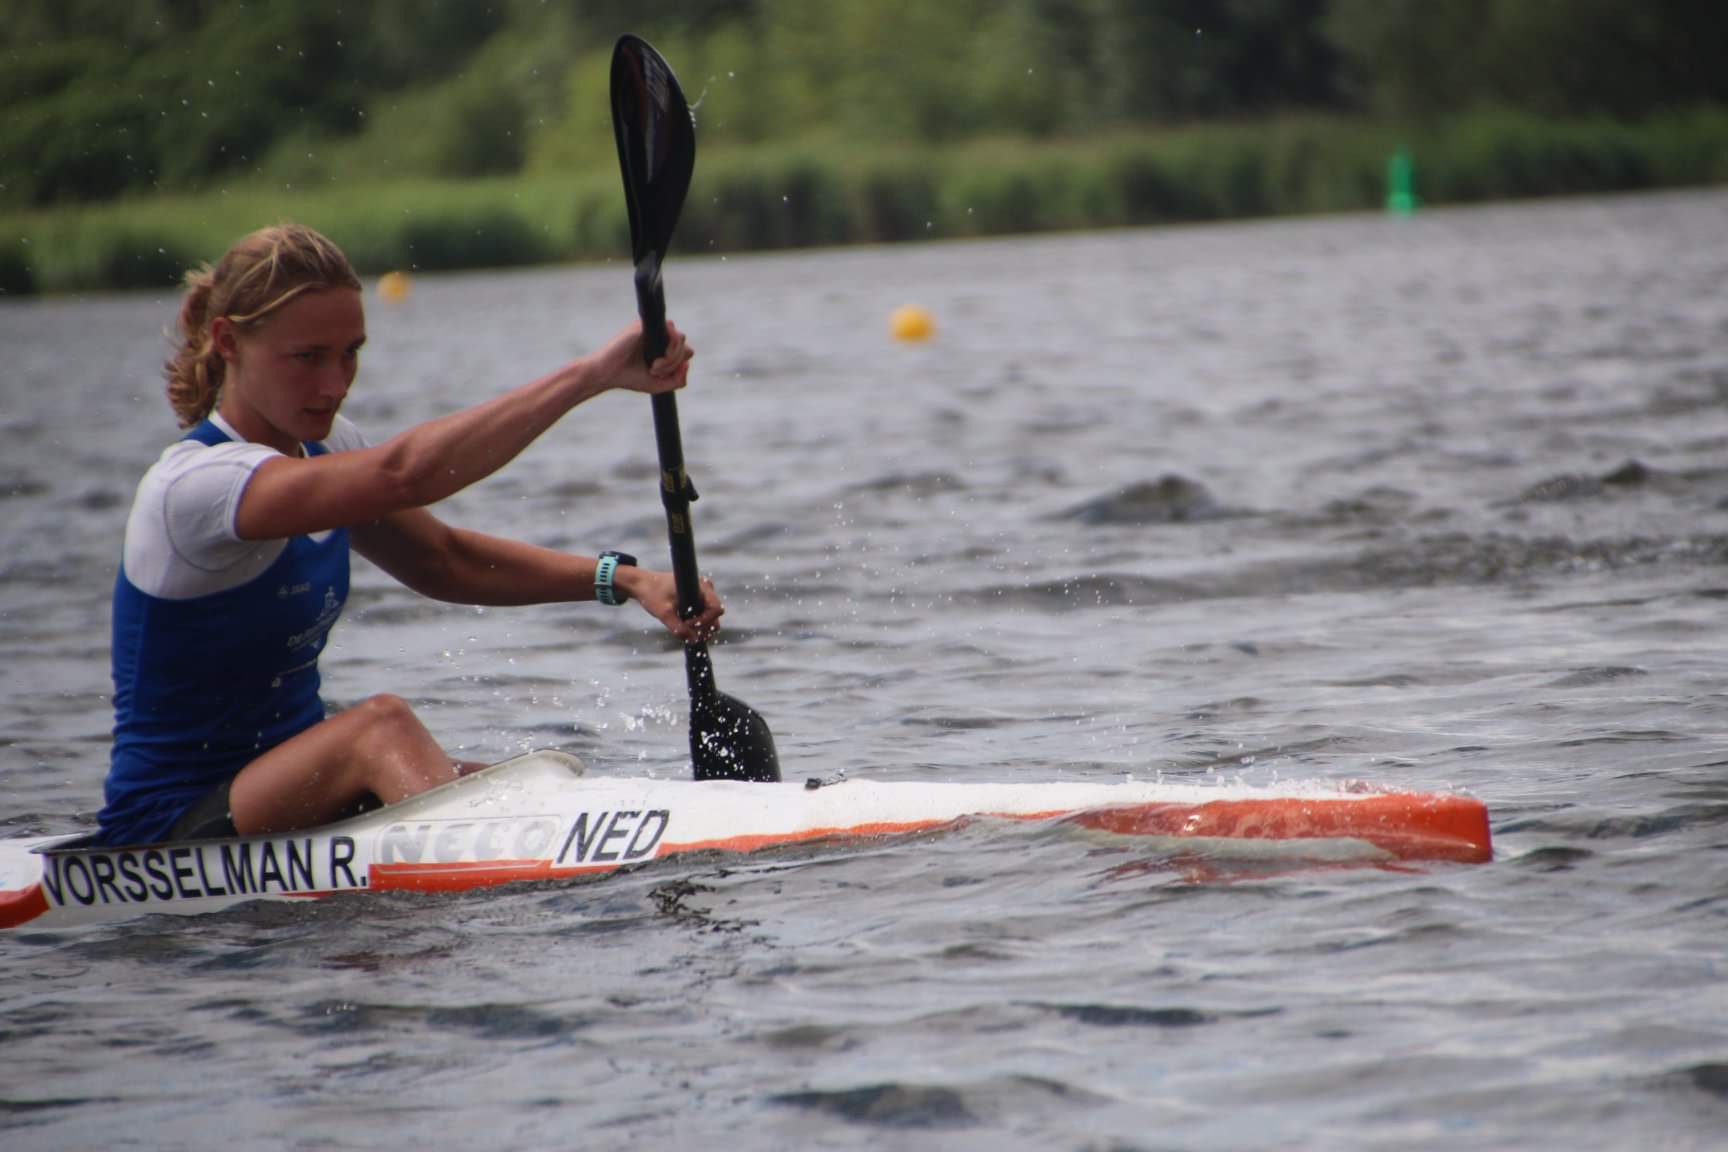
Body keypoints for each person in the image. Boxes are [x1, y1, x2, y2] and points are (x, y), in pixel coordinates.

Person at [97, 222, 720, 846]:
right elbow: (405, 475)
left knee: (536, 781)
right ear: (228, 341)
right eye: (308, 356)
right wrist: (592, 376)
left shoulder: (326, 446)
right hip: (169, 825)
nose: (335, 384)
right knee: (382, 727)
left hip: (290, 796)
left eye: (350, 353)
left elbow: (442, 560)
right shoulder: (197, 486)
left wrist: (626, 580)